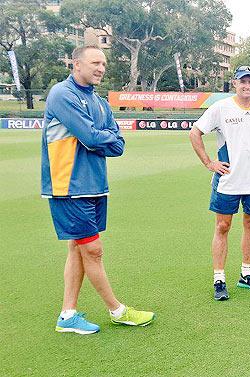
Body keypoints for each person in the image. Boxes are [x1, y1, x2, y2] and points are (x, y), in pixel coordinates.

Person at [41, 45, 155, 335]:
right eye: (95, 62)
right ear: (76, 64)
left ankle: (67, 316)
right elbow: (91, 136)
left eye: (103, 63)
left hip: (94, 185)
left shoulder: (100, 102)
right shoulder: (62, 94)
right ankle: (117, 310)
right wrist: (97, 137)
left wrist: (97, 137)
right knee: (92, 249)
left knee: (78, 249)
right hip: (69, 185)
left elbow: (118, 145)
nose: (101, 68)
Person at [189, 65, 250, 301]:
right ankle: (219, 279)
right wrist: (209, 162)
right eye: (243, 81)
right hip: (227, 181)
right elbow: (195, 132)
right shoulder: (221, 108)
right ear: (234, 83)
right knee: (222, 227)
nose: (247, 85)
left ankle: (246, 274)